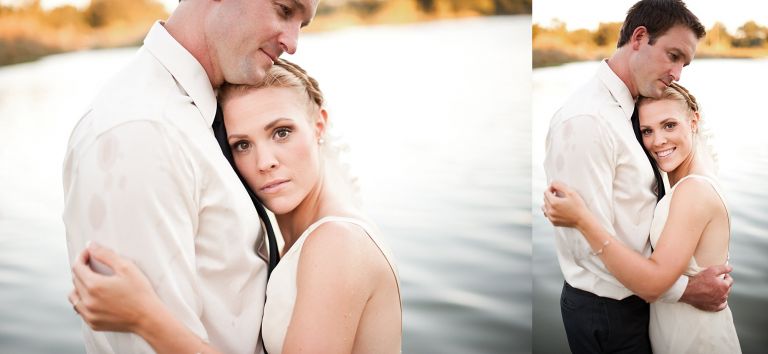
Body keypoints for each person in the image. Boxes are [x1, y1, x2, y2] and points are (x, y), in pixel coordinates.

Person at [68, 59, 402, 354]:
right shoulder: (309, 238)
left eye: (282, 132)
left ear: (319, 125)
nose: (264, 162)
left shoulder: (336, 243)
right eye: (242, 144)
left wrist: (145, 318)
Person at [62, 1, 319, 353]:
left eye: (301, 24)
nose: (292, 43)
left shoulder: (203, 110)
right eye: (284, 9)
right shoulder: (143, 132)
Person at [542, 1, 732, 352]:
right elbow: (583, 244)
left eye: (684, 63)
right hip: (608, 312)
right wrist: (683, 289)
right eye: (673, 56)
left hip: (643, 304)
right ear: (639, 38)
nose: (677, 73)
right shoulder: (587, 120)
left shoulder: (634, 106)